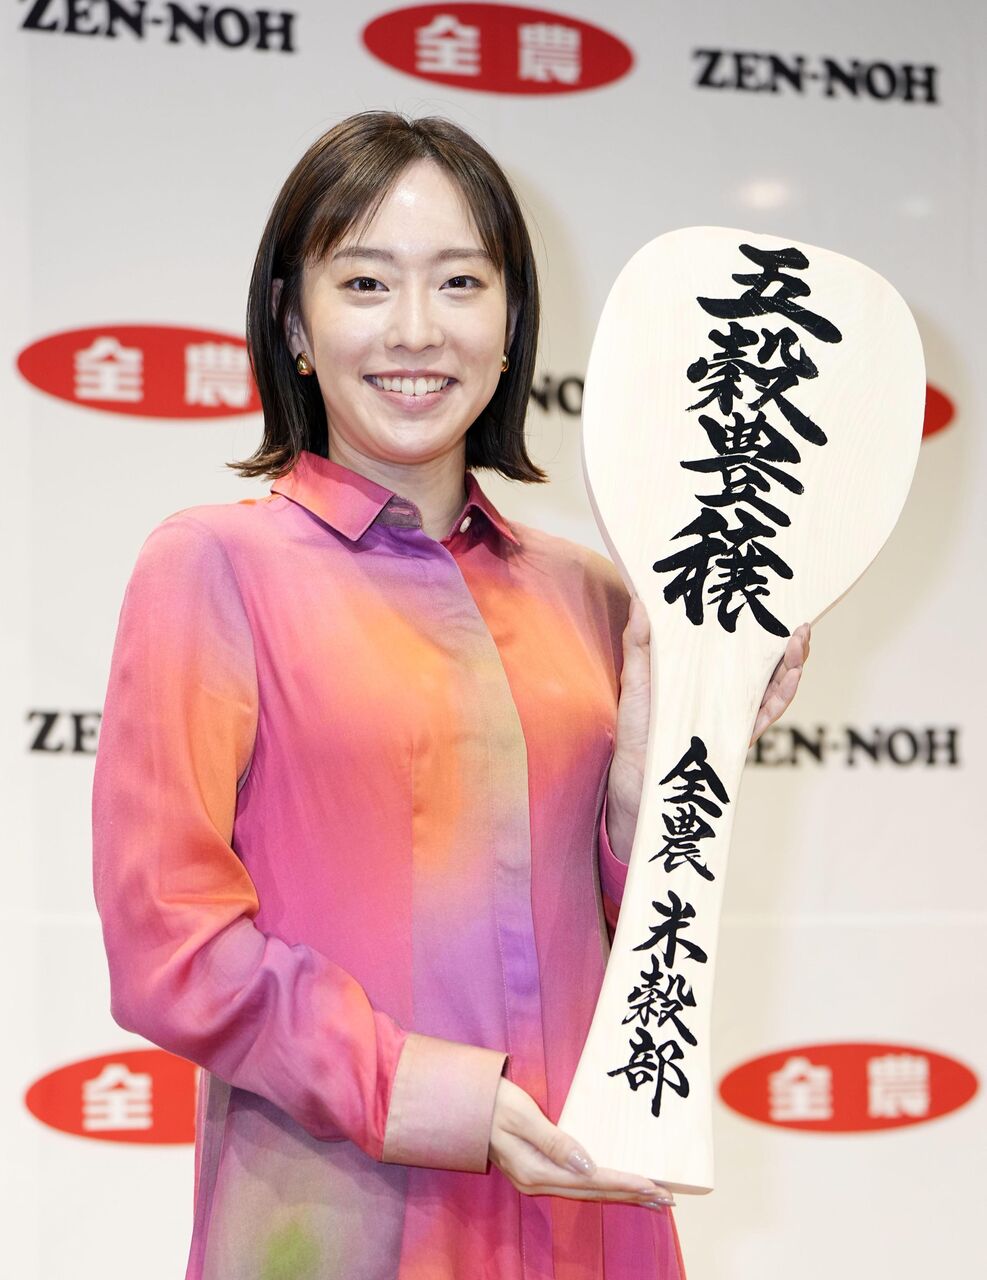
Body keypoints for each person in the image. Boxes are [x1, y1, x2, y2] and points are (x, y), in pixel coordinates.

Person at [92, 111, 809, 1280]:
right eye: (366, 282)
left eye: (462, 282)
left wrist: (663, 770)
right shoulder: (213, 566)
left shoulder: (596, 594)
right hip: (340, 1210)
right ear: (294, 322)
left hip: (586, 1196)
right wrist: (440, 1097)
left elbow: (644, 936)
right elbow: (169, 944)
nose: (417, 329)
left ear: (512, 323)